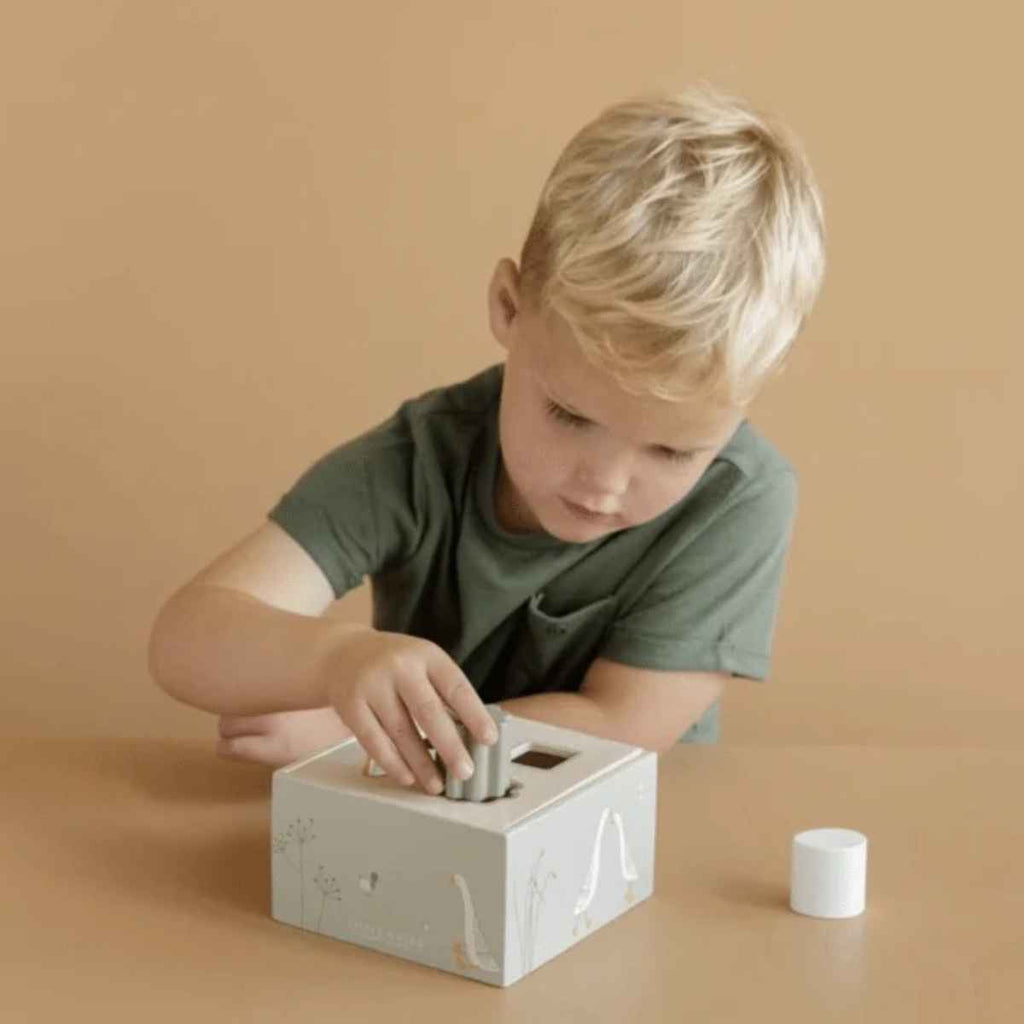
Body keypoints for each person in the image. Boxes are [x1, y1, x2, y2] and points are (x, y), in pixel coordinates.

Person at [147, 80, 826, 796]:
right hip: (430, 833)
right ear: (509, 307)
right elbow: (186, 638)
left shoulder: (742, 499)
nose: (605, 484)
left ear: (751, 393)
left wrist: (365, 740)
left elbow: (625, 722)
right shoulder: (422, 460)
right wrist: (335, 660)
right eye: (569, 415)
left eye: (671, 451)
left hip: (625, 836)